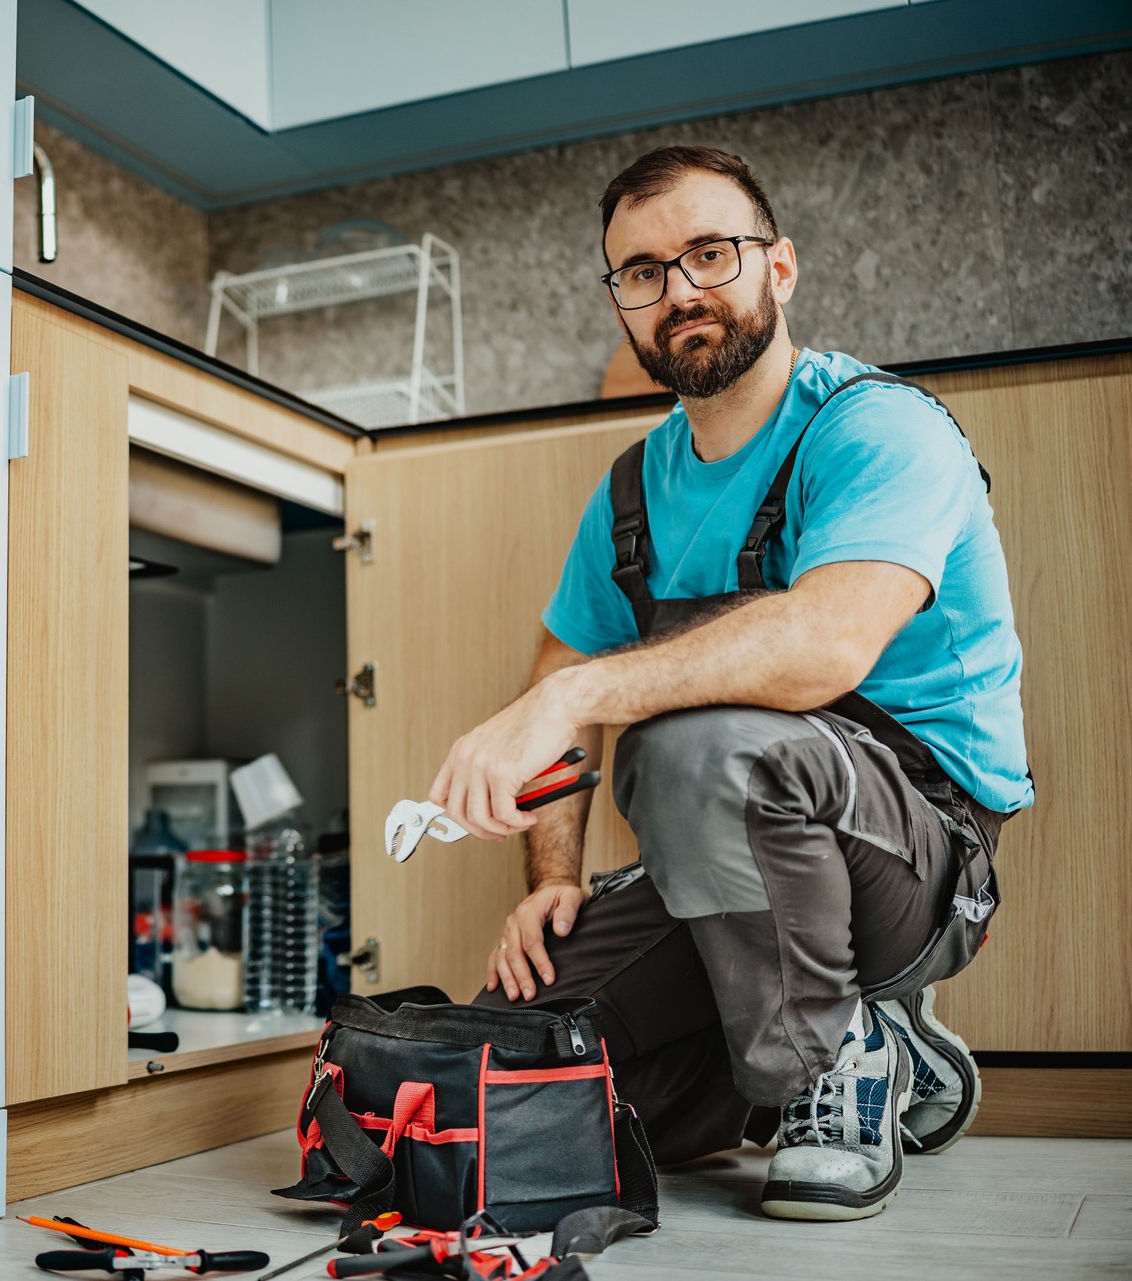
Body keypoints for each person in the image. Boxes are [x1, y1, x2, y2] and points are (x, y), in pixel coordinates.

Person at [428, 146, 1031, 1222]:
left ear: (781, 267)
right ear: (620, 302)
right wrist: (552, 877)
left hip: (923, 859)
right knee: (521, 1081)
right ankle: (868, 1039)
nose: (682, 291)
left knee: (687, 744)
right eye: (644, 272)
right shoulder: (631, 490)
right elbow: (562, 687)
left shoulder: (876, 428)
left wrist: (573, 701)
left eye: (712, 253)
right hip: (737, 858)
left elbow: (823, 648)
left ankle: (826, 1067)